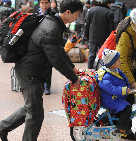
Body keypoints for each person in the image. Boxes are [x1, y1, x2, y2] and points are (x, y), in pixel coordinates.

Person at [0, 0, 83, 141]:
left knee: (31, 108)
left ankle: (2, 127)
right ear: (68, 12)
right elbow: (57, 59)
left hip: (32, 70)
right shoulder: (51, 29)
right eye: (77, 14)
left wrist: (73, 68)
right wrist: (74, 78)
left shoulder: (53, 23)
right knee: (36, 114)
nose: (77, 18)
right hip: (29, 72)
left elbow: (60, 52)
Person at [96, 49, 136, 140]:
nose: (120, 61)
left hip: (114, 98)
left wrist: (129, 87)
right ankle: (121, 128)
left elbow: (123, 80)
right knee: (126, 109)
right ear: (113, 63)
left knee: (124, 106)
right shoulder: (106, 76)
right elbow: (110, 89)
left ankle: (103, 120)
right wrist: (123, 90)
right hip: (110, 100)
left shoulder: (115, 71)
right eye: (118, 60)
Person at [84, 0, 115, 69]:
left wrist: (85, 35)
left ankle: (90, 71)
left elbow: (87, 24)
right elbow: (111, 28)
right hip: (104, 38)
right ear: (109, 4)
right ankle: (102, 71)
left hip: (92, 37)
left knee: (91, 55)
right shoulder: (110, 12)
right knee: (104, 55)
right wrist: (112, 39)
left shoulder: (91, 10)